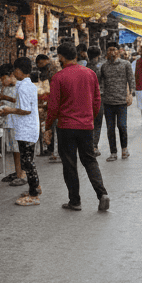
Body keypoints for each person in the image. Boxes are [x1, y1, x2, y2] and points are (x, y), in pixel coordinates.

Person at [45, 44, 109, 212]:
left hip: (66, 126)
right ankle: (102, 194)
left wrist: (47, 127)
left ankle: (75, 201)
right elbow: (96, 101)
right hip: (86, 125)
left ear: (61, 57)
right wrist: (90, 119)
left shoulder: (58, 77)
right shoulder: (90, 74)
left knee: (69, 163)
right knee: (89, 160)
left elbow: (53, 106)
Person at [2, 56, 41, 207]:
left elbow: (25, 109)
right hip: (29, 127)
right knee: (29, 160)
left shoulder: (24, 87)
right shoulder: (28, 85)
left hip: (26, 129)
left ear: (18, 70)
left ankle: (33, 195)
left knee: (27, 162)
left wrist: (9, 110)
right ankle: (35, 187)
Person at [98, 43, 135, 162]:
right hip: (107, 101)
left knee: (122, 125)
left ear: (119, 51)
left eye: (114, 49)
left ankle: (124, 149)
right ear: (106, 52)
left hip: (121, 101)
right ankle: (113, 152)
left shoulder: (126, 64)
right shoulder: (103, 66)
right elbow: (99, 82)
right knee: (110, 128)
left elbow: (131, 79)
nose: (112, 52)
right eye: (109, 50)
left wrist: (130, 94)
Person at [0, 63, 20, 183]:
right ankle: (17, 171)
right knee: (13, 149)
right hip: (8, 121)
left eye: (3, 78)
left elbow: (18, 100)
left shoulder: (19, 86)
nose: (2, 81)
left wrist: (4, 98)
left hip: (16, 122)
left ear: (11, 75)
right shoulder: (5, 88)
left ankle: (21, 174)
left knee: (18, 149)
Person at [87, 46, 104, 155]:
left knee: (88, 123)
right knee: (97, 123)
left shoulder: (84, 67)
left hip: (86, 98)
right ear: (99, 55)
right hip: (99, 97)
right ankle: (94, 146)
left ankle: (88, 145)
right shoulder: (102, 67)